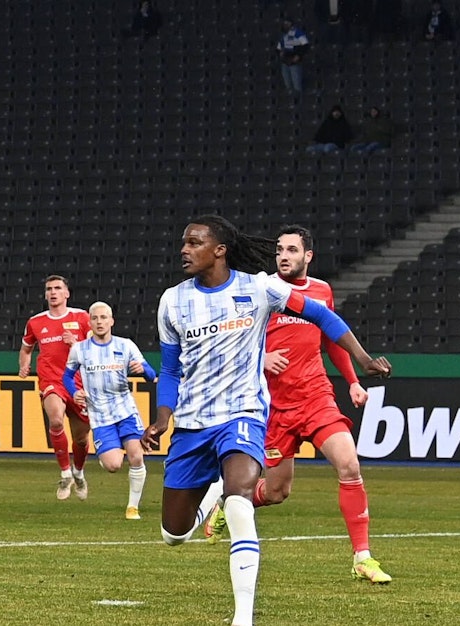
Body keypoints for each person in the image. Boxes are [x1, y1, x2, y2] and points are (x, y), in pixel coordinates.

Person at [142, 215, 391, 626]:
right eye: (184, 243)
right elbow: (170, 371)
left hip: (244, 414)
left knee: (242, 500)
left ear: (219, 250)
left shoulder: (259, 287)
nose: (183, 250)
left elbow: (323, 317)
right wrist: (162, 417)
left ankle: (243, 617)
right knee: (174, 533)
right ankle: (208, 504)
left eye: (193, 242)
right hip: (192, 423)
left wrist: (362, 361)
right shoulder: (173, 300)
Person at [226, 225, 392, 583]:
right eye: (279, 251)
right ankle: (229, 504)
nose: (283, 256)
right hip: (272, 406)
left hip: (315, 396)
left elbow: (332, 338)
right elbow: (235, 340)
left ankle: (362, 557)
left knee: (349, 464)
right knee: (275, 492)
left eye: (290, 250)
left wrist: (352, 381)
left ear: (307, 256)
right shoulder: (262, 290)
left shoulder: (321, 291)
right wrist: (262, 356)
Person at [61, 302, 156, 520]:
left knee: (136, 457)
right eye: (95, 318)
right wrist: (74, 391)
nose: (99, 322)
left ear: (111, 321)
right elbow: (67, 376)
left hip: (125, 411)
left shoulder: (126, 345)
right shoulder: (80, 349)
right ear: (90, 322)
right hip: (100, 415)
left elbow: (151, 374)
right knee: (113, 465)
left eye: (104, 317)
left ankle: (132, 507)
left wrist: (143, 371)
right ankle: (107, 454)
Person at [18, 275, 93, 501]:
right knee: (56, 420)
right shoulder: (36, 322)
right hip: (52, 380)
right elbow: (26, 349)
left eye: (58, 288)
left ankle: (78, 472)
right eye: (49, 289)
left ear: (66, 293)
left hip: (79, 383)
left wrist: (76, 344)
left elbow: (97, 347)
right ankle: (65, 473)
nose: (53, 292)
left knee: (80, 438)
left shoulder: (82, 317)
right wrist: (24, 365)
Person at [277, 19, 311, 95]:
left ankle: (298, 101)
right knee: (287, 84)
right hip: (285, 61)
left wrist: (298, 55)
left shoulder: (298, 33)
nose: (285, 24)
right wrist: (280, 52)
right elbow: (279, 46)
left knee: (296, 86)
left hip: (294, 61)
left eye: (287, 23)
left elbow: (305, 45)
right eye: (284, 23)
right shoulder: (283, 34)